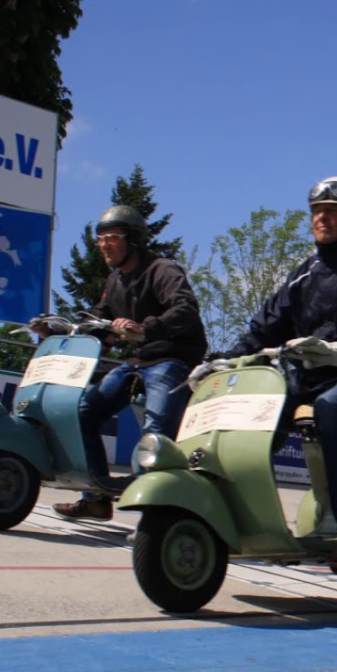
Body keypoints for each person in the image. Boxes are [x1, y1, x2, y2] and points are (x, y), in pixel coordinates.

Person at [220, 176, 337, 572]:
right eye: (316, 211)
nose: (321, 218)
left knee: (332, 407)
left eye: (333, 211)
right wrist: (231, 358)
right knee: (252, 402)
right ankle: (232, 506)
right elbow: (266, 324)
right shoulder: (304, 274)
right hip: (310, 377)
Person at [46, 205, 208, 521]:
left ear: (132, 240)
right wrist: (54, 329)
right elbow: (98, 319)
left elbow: (186, 308)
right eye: (100, 239)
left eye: (112, 237)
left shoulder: (162, 270)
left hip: (171, 360)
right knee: (84, 412)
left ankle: (153, 514)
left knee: (156, 430)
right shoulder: (116, 280)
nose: (104, 244)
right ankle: (94, 499)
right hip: (136, 362)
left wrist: (145, 328)